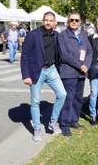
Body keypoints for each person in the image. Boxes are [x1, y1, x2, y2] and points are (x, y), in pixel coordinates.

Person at [20, 12, 67, 142]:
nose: (48, 23)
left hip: (52, 69)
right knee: (35, 101)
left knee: (62, 94)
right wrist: (26, 75)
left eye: (51, 20)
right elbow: (25, 57)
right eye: (46, 20)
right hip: (37, 71)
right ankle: (37, 129)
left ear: (54, 22)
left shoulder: (56, 35)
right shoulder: (33, 35)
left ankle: (53, 122)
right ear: (42, 20)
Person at [58, 12, 93, 136]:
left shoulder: (83, 35)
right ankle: (64, 124)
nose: (74, 22)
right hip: (69, 72)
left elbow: (89, 52)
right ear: (68, 21)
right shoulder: (62, 36)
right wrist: (80, 65)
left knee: (78, 98)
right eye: (72, 20)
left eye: (76, 20)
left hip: (81, 73)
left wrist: (86, 65)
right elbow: (64, 55)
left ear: (80, 22)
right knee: (68, 98)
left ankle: (73, 120)